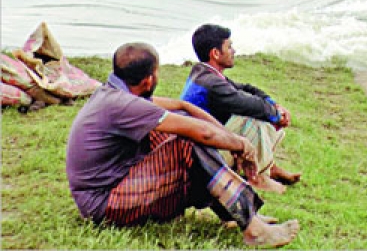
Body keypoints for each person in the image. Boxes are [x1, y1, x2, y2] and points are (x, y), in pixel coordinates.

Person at [66, 43, 300, 248]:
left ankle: (237, 214)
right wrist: (240, 144)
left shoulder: (116, 93)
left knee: (184, 133)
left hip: (110, 187)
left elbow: (182, 107)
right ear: (148, 79)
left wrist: (225, 135)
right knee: (187, 143)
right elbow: (203, 134)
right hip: (103, 203)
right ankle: (253, 228)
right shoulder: (122, 104)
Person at [181, 25, 301, 195]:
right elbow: (247, 104)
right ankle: (257, 177)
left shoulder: (205, 73)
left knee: (262, 112)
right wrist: (275, 114)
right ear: (215, 53)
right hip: (203, 155)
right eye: (229, 47)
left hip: (207, 142)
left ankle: (269, 166)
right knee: (253, 120)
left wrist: (273, 104)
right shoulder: (211, 82)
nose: (234, 51)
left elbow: (246, 88)